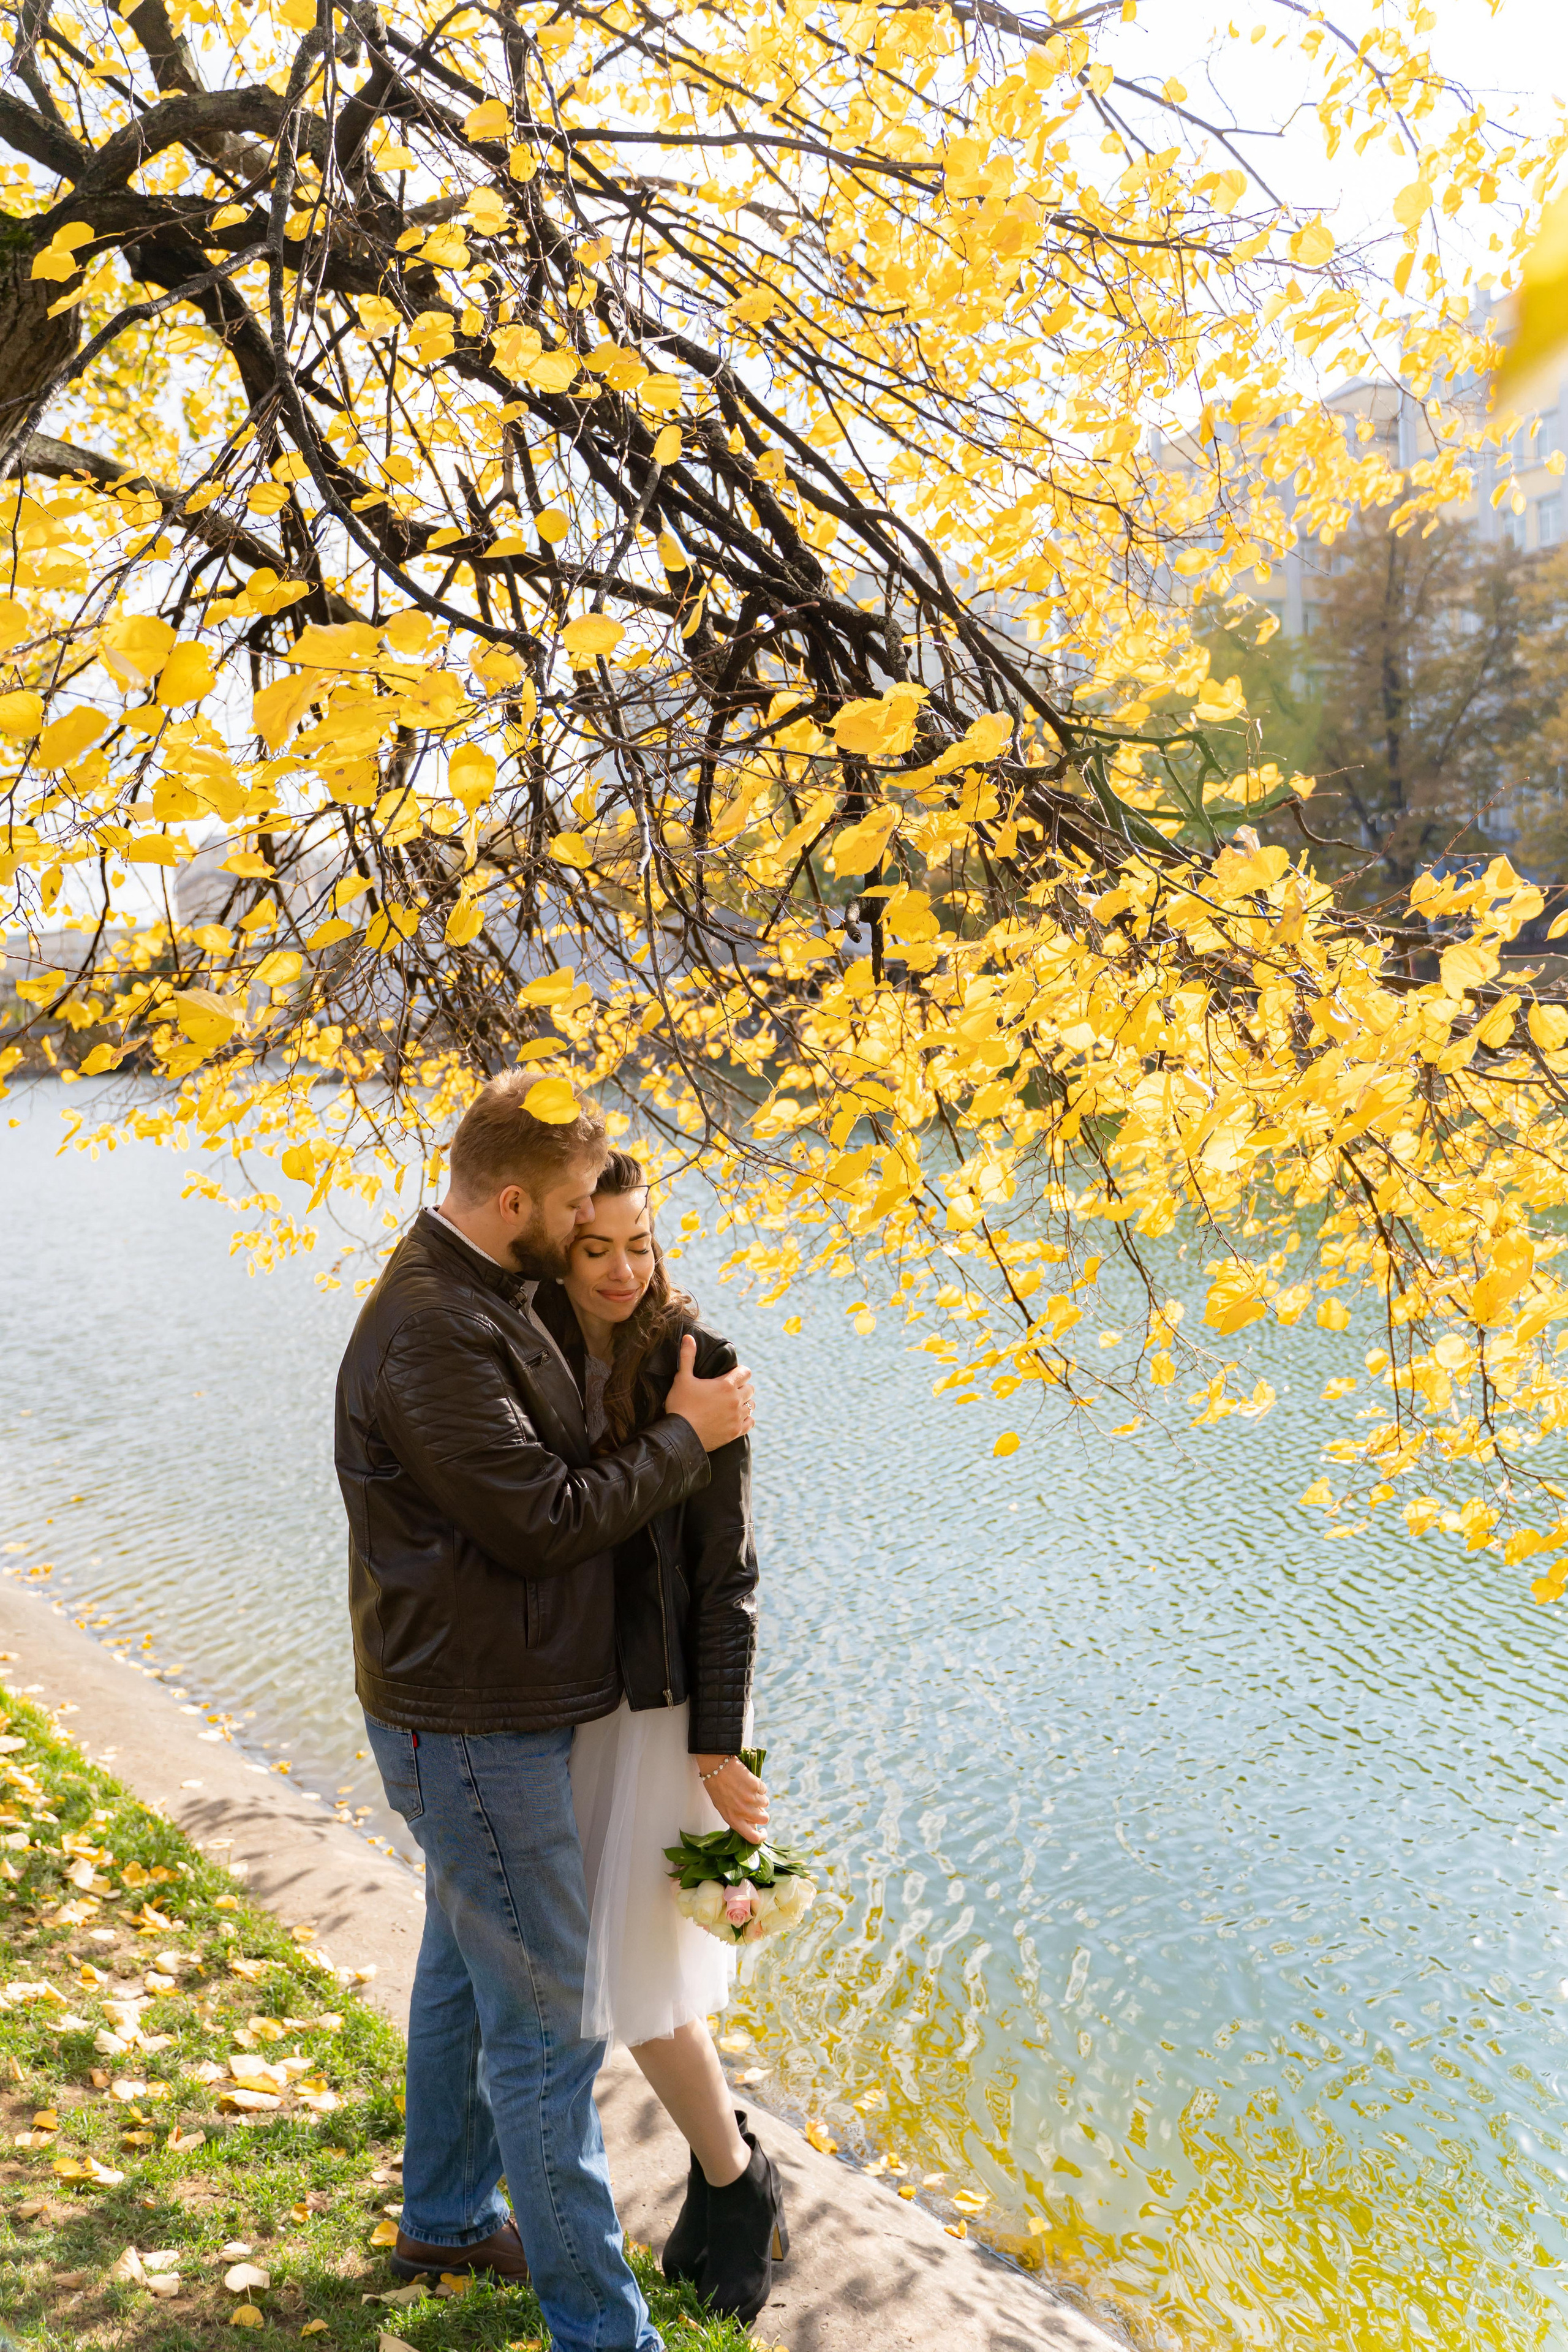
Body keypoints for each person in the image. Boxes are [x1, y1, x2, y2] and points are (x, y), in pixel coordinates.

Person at [334, 1074, 755, 2352]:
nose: (597, 1236)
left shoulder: (478, 1295)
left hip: (484, 1711)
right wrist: (682, 1437)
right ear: (515, 1204)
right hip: (469, 1725)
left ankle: (449, 2218)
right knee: (548, 2033)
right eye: (579, 1212)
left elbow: (689, 1556)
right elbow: (540, 1519)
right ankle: (600, 2330)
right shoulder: (434, 1330)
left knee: (465, 1979)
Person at [533, 1153, 787, 2328]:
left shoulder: (703, 1362)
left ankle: (738, 2186)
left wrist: (718, 1743)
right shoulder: (523, 1346)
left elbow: (724, 1576)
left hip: (656, 1713)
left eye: (642, 1244)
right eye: (599, 1248)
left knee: (639, 1979)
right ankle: (725, 2165)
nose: (626, 1269)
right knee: (596, 1966)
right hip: (553, 1706)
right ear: (559, 1248)